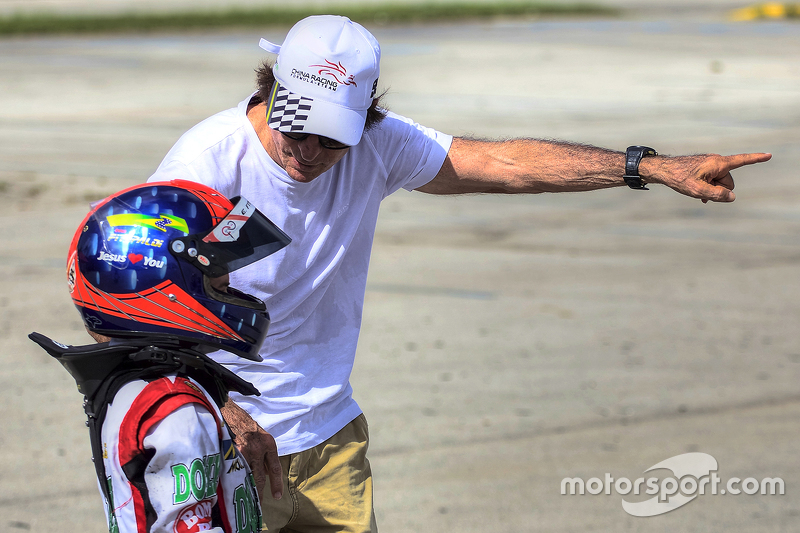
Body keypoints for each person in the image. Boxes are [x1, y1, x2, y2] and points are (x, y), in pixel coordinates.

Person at [146, 14, 772, 533]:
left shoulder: (379, 145)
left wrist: (648, 167)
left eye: (329, 137)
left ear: (364, 120)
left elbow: (506, 163)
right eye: (295, 124)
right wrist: (217, 405)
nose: (307, 151)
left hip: (330, 437)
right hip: (226, 439)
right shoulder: (205, 164)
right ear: (272, 87)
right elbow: (127, 306)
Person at [29, 180, 291, 532]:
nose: (229, 281)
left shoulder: (133, 385)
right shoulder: (175, 408)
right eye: (216, 277)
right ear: (158, 277)